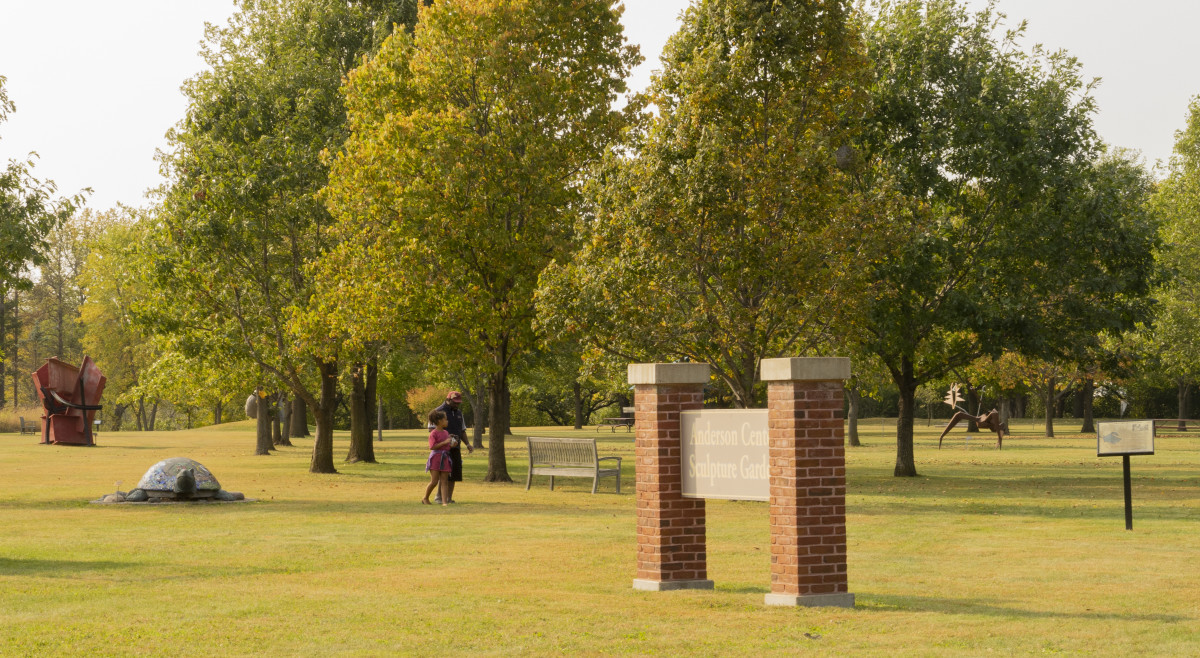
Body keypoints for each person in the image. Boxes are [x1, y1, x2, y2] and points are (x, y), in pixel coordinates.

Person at [433, 390, 473, 503]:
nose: (457, 404)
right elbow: (432, 431)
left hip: (456, 448)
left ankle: (449, 498)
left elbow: (462, 430)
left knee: (454, 472)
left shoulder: (459, 413)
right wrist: (445, 440)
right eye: (455, 402)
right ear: (448, 400)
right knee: (444, 473)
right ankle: (439, 497)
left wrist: (468, 444)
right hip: (442, 450)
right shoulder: (438, 412)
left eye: (458, 402)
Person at [423, 409, 454, 506]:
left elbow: (447, 447)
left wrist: (451, 445)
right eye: (446, 419)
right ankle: (425, 498)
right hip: (435, 458)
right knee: (434, 481)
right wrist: (444, 442)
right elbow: (432, 446)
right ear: (440, 421)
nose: (447, 421)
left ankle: (444, 502)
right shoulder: (433, 433)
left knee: (444, 481)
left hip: (444, 458)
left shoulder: (445, 432)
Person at [938, 408, 1008, 450]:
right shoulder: (993, 422)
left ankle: (942, 436)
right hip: (982, 420)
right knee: (959, 414)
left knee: (959, 414)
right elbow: (994, 414)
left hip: (983, 421)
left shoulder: (996, 425)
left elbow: (995, 415)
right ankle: (942, 436)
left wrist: (999, 439)